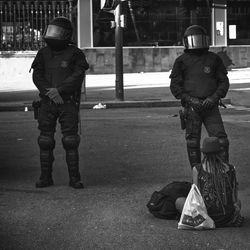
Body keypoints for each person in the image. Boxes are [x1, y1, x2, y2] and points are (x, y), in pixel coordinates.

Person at [31, 17, 89, 189]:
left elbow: (78, 75)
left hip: (67, 101)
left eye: (57, 32)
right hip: (48, 101)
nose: (52, 35)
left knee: (70, 141)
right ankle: (45, 177)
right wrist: (49, 91)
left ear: (66, 35)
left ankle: (74, 178)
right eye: (51, 30)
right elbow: (37, 75)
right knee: (45, 140)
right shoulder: (43, 53)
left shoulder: (75, 53)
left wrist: (60, 90)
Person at [170, 25, 230, 168]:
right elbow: (175, 86)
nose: (196, 43)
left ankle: (223, 173)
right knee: (192, 143)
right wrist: (190, 100)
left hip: (211, 106)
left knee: (221, 141)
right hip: (192, 108)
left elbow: (223, 82)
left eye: (199, 39)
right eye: (193, 39)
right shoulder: (181, 61)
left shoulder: (214, 59)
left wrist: (213, 98)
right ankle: (196, 175)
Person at [192, 137, 244, 227]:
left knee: (179, 202)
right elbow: (234, 198)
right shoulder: (230, 169)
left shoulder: (197, 169)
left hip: (206, 217)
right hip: (227, 218)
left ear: (204, 153)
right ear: (220, 153)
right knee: (239, 202)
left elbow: (195, 197)